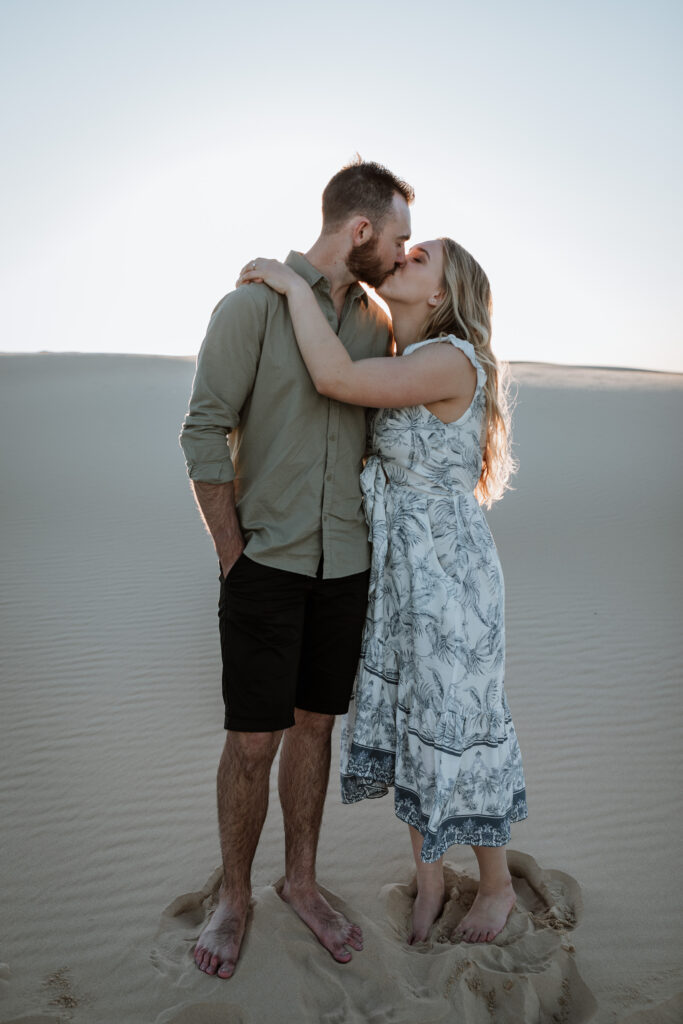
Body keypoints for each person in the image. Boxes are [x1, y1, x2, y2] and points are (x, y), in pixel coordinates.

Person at [237, 237, 528, 946]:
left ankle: (496, 888)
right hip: (400, 571)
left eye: (420, 257)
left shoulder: (446, 358)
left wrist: (291, 285)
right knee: (412, 721)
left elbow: (333, 378)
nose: (404, 256)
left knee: (461, 725)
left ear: (439, 295)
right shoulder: (405, 358)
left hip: (446, 576)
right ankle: (429, 876)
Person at [179, 159, 414, 978]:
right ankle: (234, 898)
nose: (400, 253)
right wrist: (231, 556)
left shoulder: (377, 326)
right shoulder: (249, 307)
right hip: (264, 565)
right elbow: (203, 431)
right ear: (360, 231)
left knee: (315, 729)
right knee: (252, 743)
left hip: (344, 567)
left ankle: (302, 881)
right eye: (396, 238)